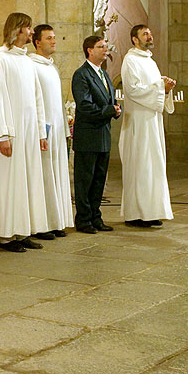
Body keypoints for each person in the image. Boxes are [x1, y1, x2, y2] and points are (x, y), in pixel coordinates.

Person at [0, 12, 50, 252]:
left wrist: (41, 132)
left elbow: (37, 98)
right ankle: (6, 235)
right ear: (16, 30)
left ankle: (23, 231)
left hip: (29, 131)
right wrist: (2, 134)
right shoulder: (1, 59)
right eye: (28, 28)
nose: (31, 32)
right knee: (9, 183)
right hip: (12, 132)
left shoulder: (26, 60)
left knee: (27, 181)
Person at [119, 25, 176, 227]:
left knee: (153, 165)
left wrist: (165, 88)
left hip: (152, 121)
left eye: (150, 32)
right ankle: (136, 214)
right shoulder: (130, 61)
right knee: (140, 165)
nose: (150, 36)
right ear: (135, 39)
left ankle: (151, 211)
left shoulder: (150, 61)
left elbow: (155, 89)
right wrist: (161, 87)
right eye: (145, 34)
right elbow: (133, 90)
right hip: (138, 122)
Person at [71, 36, 121, 234]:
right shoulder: (81, 75)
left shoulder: (104, 74)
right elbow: (84, 105)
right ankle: (83, 220)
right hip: (88, 135)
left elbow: (111, 99)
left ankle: (96, 217)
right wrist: (109, 111)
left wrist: (116, 109)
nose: (105, 49)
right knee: (85, 180)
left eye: (105, 46)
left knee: (99, 179)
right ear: (89, 50)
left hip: (103, 134)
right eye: (101, 47)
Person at [30, 24, 74, 236]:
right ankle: (44, 223)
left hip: (57, 130)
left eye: (54, 37)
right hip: (44, 130)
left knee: (57, 174)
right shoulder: (33, 66)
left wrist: (65, 128)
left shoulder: (51, 67)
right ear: (37, 42)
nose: (54, 41)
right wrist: (40, 130)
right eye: (49, 38)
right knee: (45, 175)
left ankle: (57, 220)